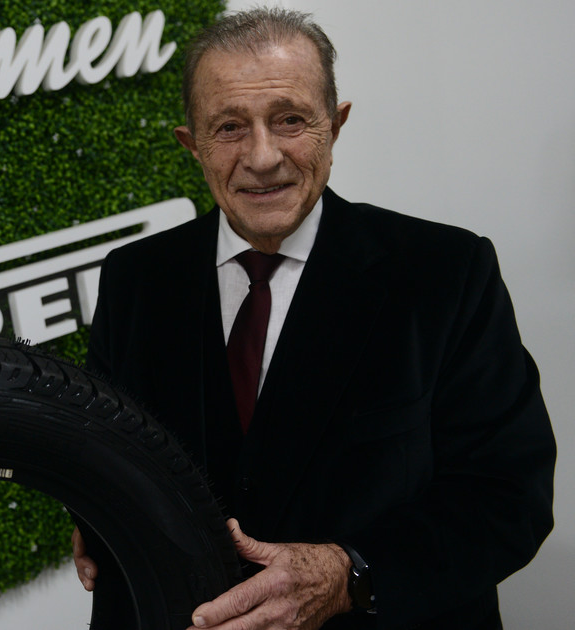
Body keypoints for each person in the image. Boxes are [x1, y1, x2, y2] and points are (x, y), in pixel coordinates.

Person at [70, 7, 555, 630]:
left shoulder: (446, 272)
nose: (262, 156)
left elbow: (508, 496)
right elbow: (106, 454)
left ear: (336, 124)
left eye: (290, 120)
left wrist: (349, 574)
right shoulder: (135, 278)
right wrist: (99, 514)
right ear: (192, 146)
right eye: (229, 127)